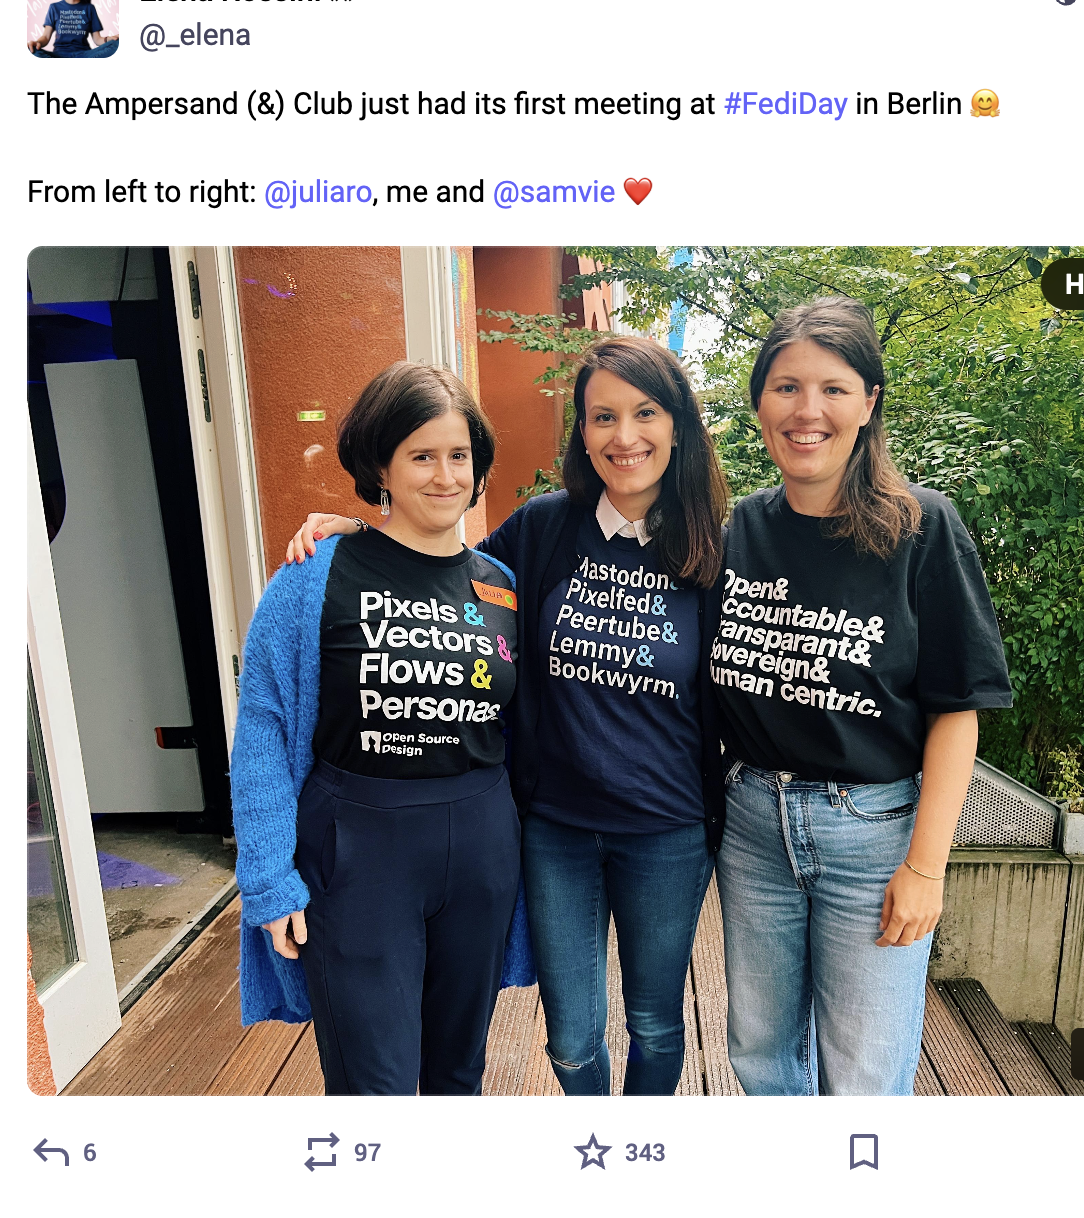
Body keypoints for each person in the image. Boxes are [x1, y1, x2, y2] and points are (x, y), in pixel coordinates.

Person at [285, 338, 729, 1096]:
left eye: (646, 412)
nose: (625, 436)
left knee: (655, 1023)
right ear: (582, 433)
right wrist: (358, 530)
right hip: (554, 827)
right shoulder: (547, 527)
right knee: (569, 1039)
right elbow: (440, 571)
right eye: (602, 416)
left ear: (678, 424)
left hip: (666, 828)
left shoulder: (714, 545)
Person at [711, 297, 1013, 1095]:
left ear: (869, 401)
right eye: (786, 387)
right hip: (751, 827)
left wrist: (926, 868)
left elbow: (959, 710)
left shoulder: (922, 529)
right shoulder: (737, 529)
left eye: (834, 388)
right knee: (760, 1055)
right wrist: (387, 541)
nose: (808, 410)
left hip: (874, 835)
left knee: (867, 1074)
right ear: (759, 401)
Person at [232, 362, 532, 1096]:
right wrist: (269, 880)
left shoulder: (500, 583)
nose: (444, 476)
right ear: (381, 467)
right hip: (358, 855)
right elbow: (264, 726)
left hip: (482, 849)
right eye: (421, 456)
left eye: (458, 455)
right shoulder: (313, 575)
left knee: (457, 1071)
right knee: (376, 1084)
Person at [29, 0, 119, 57]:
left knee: (117, 43)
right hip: (59, 56)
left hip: (85, 55)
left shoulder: (89, 8)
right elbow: (45, 37)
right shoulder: (54, 7)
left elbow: (97, 39)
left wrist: (109, 39)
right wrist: (37, 43)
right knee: (30, 49)